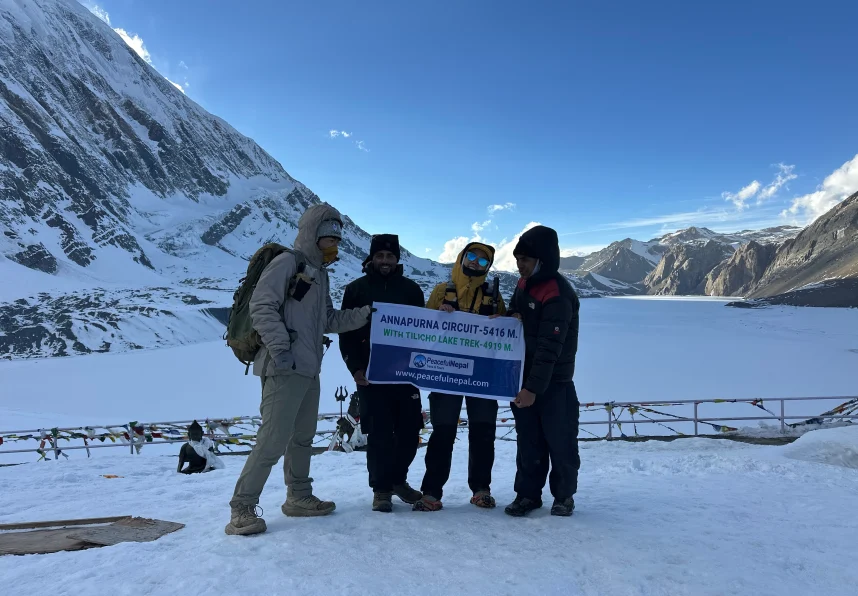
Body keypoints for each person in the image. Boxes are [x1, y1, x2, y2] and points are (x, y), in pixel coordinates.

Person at [225, 203, 372, 536]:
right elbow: (262, 306)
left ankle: (299, 497)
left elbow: (329, 320)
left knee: (302, 437)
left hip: (308, 368)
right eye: (328, 238)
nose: (334, 244)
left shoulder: (320, 273)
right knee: (273, 438)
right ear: (313, 235)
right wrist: (280, 350)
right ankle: (242, 507)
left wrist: (365, 315)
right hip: (282, 366)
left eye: (337, 238)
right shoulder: (288, 263)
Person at [412, 243, 506, 512]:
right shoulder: (442, 291)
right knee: (443, 431)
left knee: (483, 431)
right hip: (445, 371)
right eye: (472, 257)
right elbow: (425, 329)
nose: (476, 263)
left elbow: (504, 331)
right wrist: (439, 314)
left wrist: (506, 319)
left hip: (482, 373)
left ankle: (481, 489)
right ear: (462, 258)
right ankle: (431, 492)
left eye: (483, 261)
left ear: (488, 267)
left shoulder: (493, 294)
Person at [339, 234, 427, 512]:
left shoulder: (412, 290)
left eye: (390, 257)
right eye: (380, 256)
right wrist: (355, 367)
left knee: (410, 430)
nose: (385, 261)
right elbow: (346, 333)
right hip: (372, 375)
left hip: (406, 374)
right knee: (378, 433)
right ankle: (381, 490)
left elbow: (423, 331)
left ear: (397, 259)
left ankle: (397, 480)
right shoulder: (356, 290)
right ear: (372, 258)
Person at [501, 225, 580, 518]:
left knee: (561, 443)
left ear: (542, 260)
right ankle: (527, 495)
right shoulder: (523, 285)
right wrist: (512, 316)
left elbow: (550, 348)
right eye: (518, 258)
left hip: (555, 383)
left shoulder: (557, 292)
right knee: (529, 442)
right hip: (526, 379)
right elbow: (514, 314)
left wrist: (532, 389)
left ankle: (564, 497)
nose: (519, 265)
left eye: (525, 259)